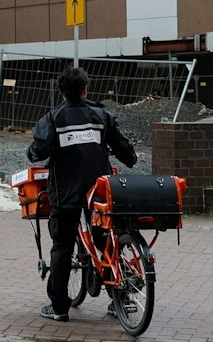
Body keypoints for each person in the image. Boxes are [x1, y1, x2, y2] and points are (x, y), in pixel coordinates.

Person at [25, 66, 137, 322]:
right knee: (105, 241)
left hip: (66, 193)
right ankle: (120, 296)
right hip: (99, 191)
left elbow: (38, 152)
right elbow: (123, 148)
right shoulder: (101, 115)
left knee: (62, 246)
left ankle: (59, 307)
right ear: (86, 89)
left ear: (62, 92)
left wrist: (33, 152)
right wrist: (130, 158)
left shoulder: (53, 118)